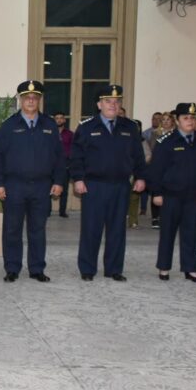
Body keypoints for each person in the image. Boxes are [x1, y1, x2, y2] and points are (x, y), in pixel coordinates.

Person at [70, 85, 146, 282]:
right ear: (99, 104)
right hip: (94, 186)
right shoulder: (87, 127)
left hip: (120, 185)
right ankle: (87, 269)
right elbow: (76, 156)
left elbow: (138, 156)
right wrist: (78, 179)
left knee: (117, 230)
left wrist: (140, 177)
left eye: (116, 101)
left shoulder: (129, 128)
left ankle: (114, 269)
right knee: (91, 229)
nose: (113, 105)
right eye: (108, 101)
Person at [0, 81, 64, 282]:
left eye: (35, 97)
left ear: (39, 100)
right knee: (12, 229)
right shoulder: (9, 126)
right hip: (15, 185)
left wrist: (58, 181)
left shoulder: (49, 125)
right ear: (21, 100)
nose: (31, 100)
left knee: (38, 230)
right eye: (27, 97)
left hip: (42, 186)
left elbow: (59, 157)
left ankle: (37, 269)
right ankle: (12, 268)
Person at [149, 103, 196, 284]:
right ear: (177, 120)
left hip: (195, 196)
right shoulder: (167, 142)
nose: (190, 121)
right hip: (171, 195)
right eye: (186, 118)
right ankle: (164, 267)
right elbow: (156, 170)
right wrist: (156, 192)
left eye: (193, 118)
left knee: (192, 233)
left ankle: (190, 269)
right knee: (168, 233)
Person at [54, 111, 73, 218]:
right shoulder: (50, 133)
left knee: (64, 189)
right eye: (57, 118)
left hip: (65, 165)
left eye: (61, 118)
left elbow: (74, 148)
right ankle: (47, 211)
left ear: (64, 120)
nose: (59, 120)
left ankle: (62, 211)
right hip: (51, 165)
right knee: (48, 188)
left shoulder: (70, 134)